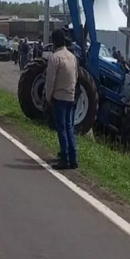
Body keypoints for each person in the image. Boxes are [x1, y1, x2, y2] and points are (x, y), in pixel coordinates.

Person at [45, 28, 78, 170]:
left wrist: (48, 97)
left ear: (54, 42)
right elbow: (76, 77)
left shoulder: (55, 58)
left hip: (59, 97)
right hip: (70, 96)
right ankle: (73, 157)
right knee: (69, 127)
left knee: (61, 128)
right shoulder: (72, 57)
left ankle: (64, 158)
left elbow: (50, 81)